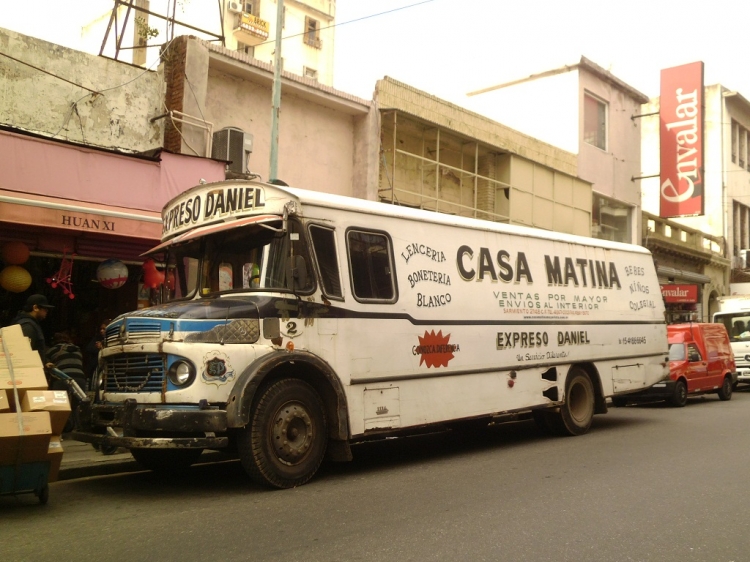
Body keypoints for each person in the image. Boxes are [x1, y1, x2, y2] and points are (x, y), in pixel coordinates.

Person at [47, 331, 86, 433]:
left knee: (60, 404)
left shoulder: (53, 350)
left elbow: (46, 363)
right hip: (80, 378)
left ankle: (60, 428)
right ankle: (79, 427)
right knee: (77, 404)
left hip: (62, 378)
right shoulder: (78, 349)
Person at [12, 293, 55, 370]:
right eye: (45, 309)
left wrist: (45, 362)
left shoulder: (29, 324)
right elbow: (24, 353)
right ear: (35, 308)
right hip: (28, 372)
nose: (47, 311)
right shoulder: (28, 326)